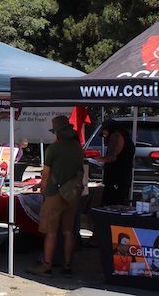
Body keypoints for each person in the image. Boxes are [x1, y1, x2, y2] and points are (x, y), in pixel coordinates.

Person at [27, 115, 84, 277]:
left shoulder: (53, 149)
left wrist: (42, 187)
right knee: (68, 232)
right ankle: (67, 266)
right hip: (71, 194)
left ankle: (46, 265)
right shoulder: (77, 148)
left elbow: (46, 176)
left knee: (50, 232)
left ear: (57, 132)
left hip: (54, 195)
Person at [96, 119, 135, 205]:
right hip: (124, 178)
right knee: (121, 203)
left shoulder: (116, 136)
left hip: (116, 179)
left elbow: (112, 157)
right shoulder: (127, 137)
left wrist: (97, 159)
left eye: (104, 133)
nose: (105, 136)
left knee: (111, 204)